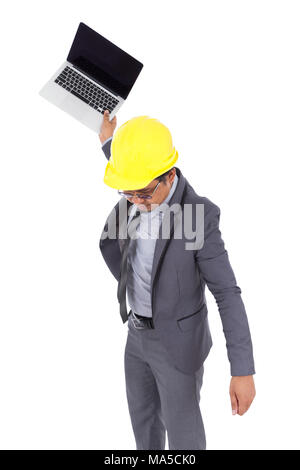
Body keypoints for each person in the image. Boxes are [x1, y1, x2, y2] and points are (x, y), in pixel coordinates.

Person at [98, 110, 256, 450]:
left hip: (177, 346)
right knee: (144, 431)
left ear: (169, 176)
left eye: (143, 194)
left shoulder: (198, 216)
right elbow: (130, 169)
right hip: (135, 339)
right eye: (128, 194)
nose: (137, 203)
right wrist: (110, 141)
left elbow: (227, 293)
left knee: (185, 441)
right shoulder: (138, 187)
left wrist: (242, 369)